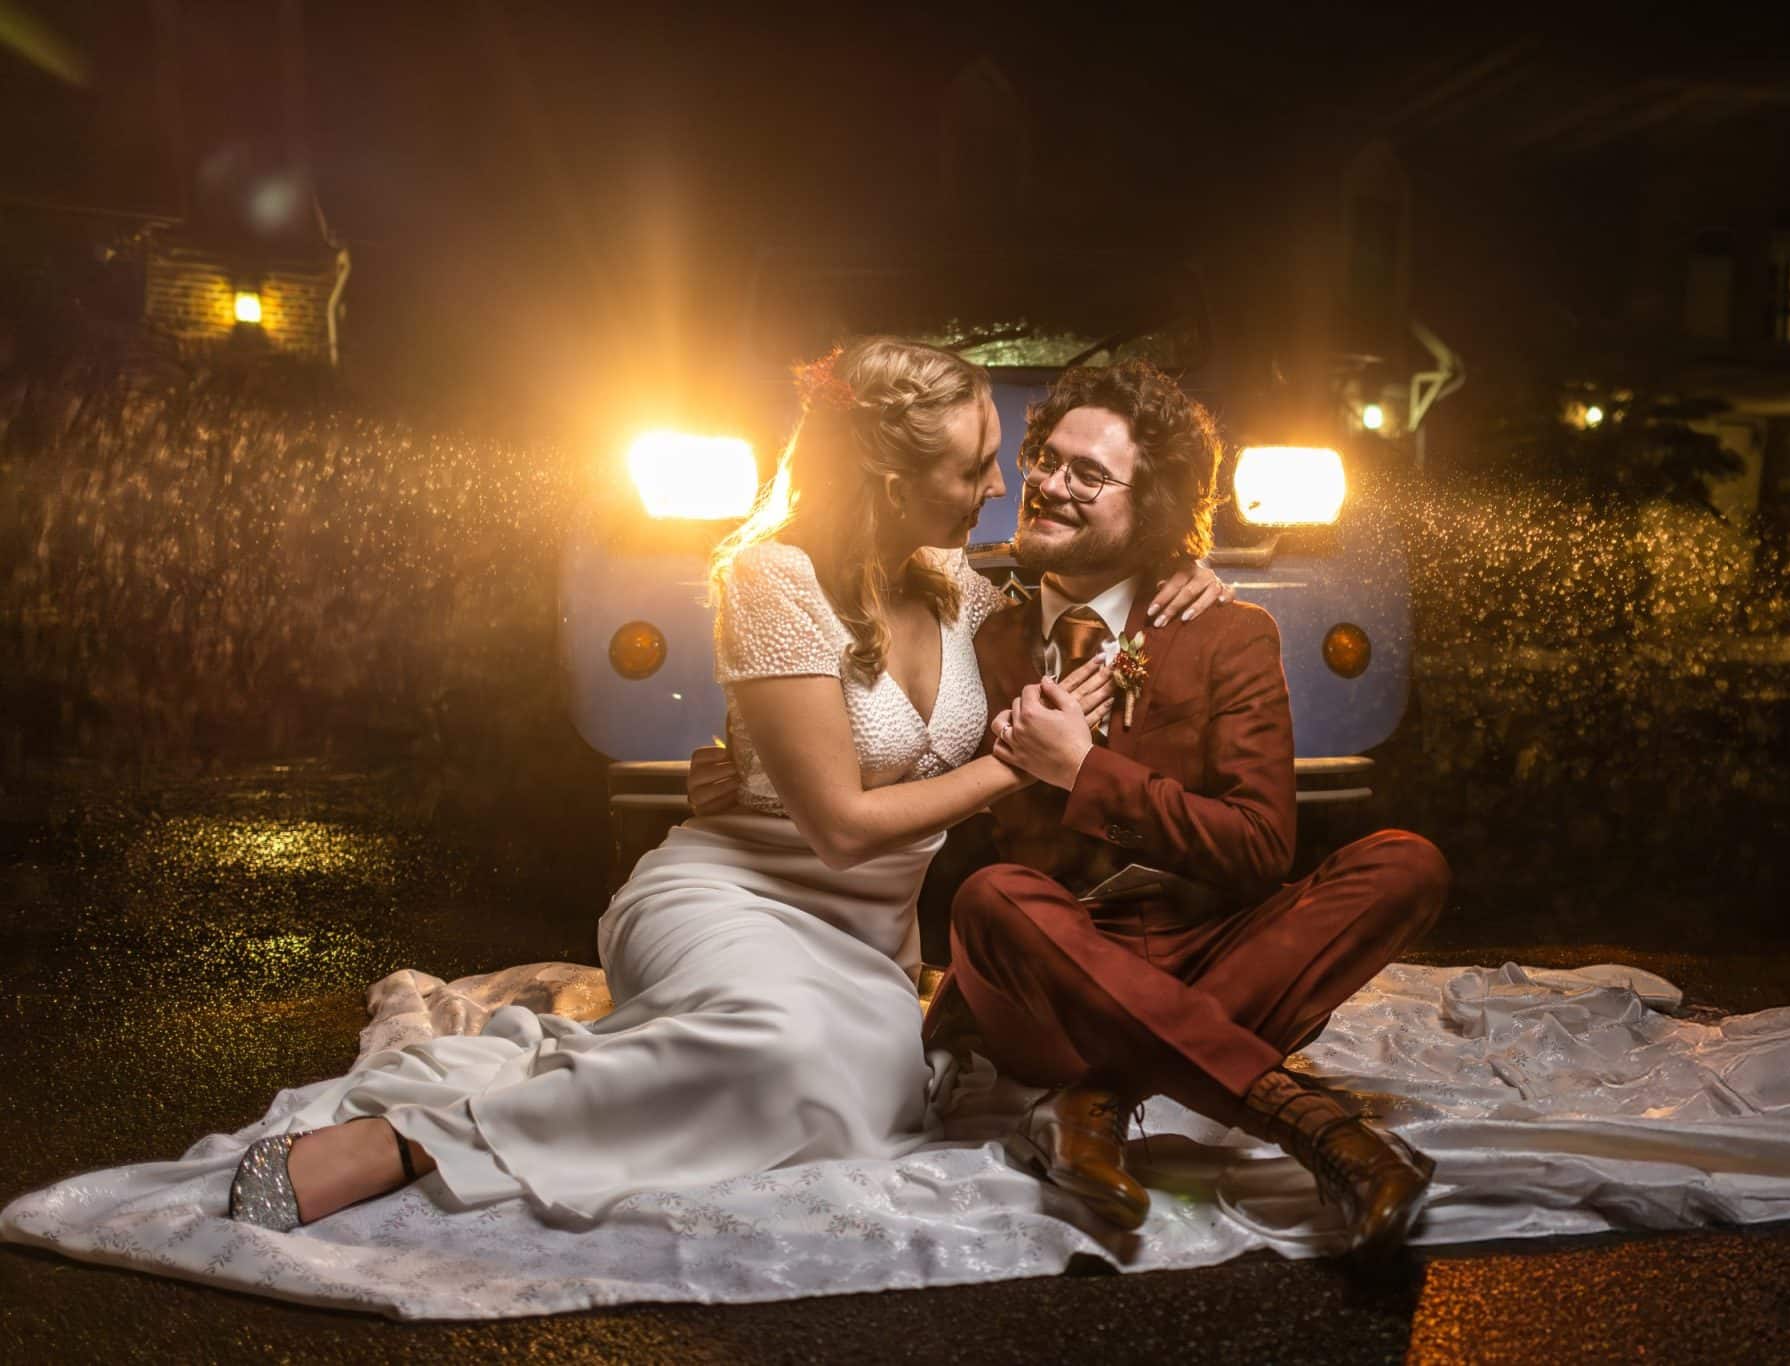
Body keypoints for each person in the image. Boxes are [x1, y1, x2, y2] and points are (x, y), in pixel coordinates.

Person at [216, 336, 1227, 1231]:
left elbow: (1109, 551)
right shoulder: (768, 577)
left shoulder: (962, 579)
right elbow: (837, 826)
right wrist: (1008, 767)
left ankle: (599, 1069)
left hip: (865, 948)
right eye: (975, 467)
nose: (1000, 486)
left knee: (861, 1097)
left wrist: (1191, 572)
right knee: (777, 1057)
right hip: (733, 897)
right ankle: (417, 1141)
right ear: (887, 485)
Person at [897, 361, 1450, 1255]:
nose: (1047, 486)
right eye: (1047, 460)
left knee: (1405, 863)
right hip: (1053, 970)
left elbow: (1262, 847)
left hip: (1207, 948)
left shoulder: (1228, 633)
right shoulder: (980, 629)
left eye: (1088, 474)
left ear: (1149, 510)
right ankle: (1317, 1129)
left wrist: (1086, 774)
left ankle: (1099, 1099)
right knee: (992, 897)